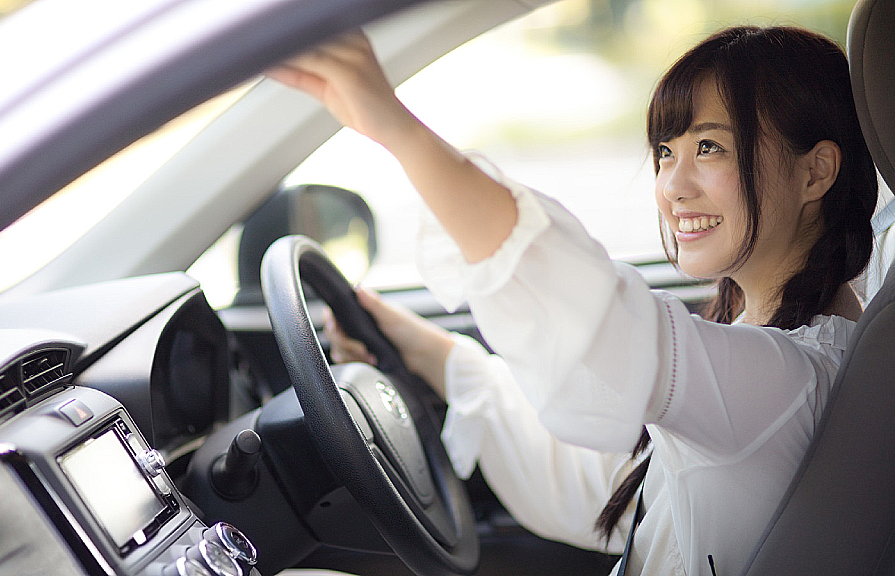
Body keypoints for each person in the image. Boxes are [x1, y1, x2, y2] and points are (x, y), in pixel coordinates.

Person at [268, 24, 877, 575]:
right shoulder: (780, 346)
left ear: (816, 172)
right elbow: (599, 480)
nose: (673, 187)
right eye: (666, 152)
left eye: (710, 148)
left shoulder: (792, 378)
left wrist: (392, 126)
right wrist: (432, 355)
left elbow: (595, 312)